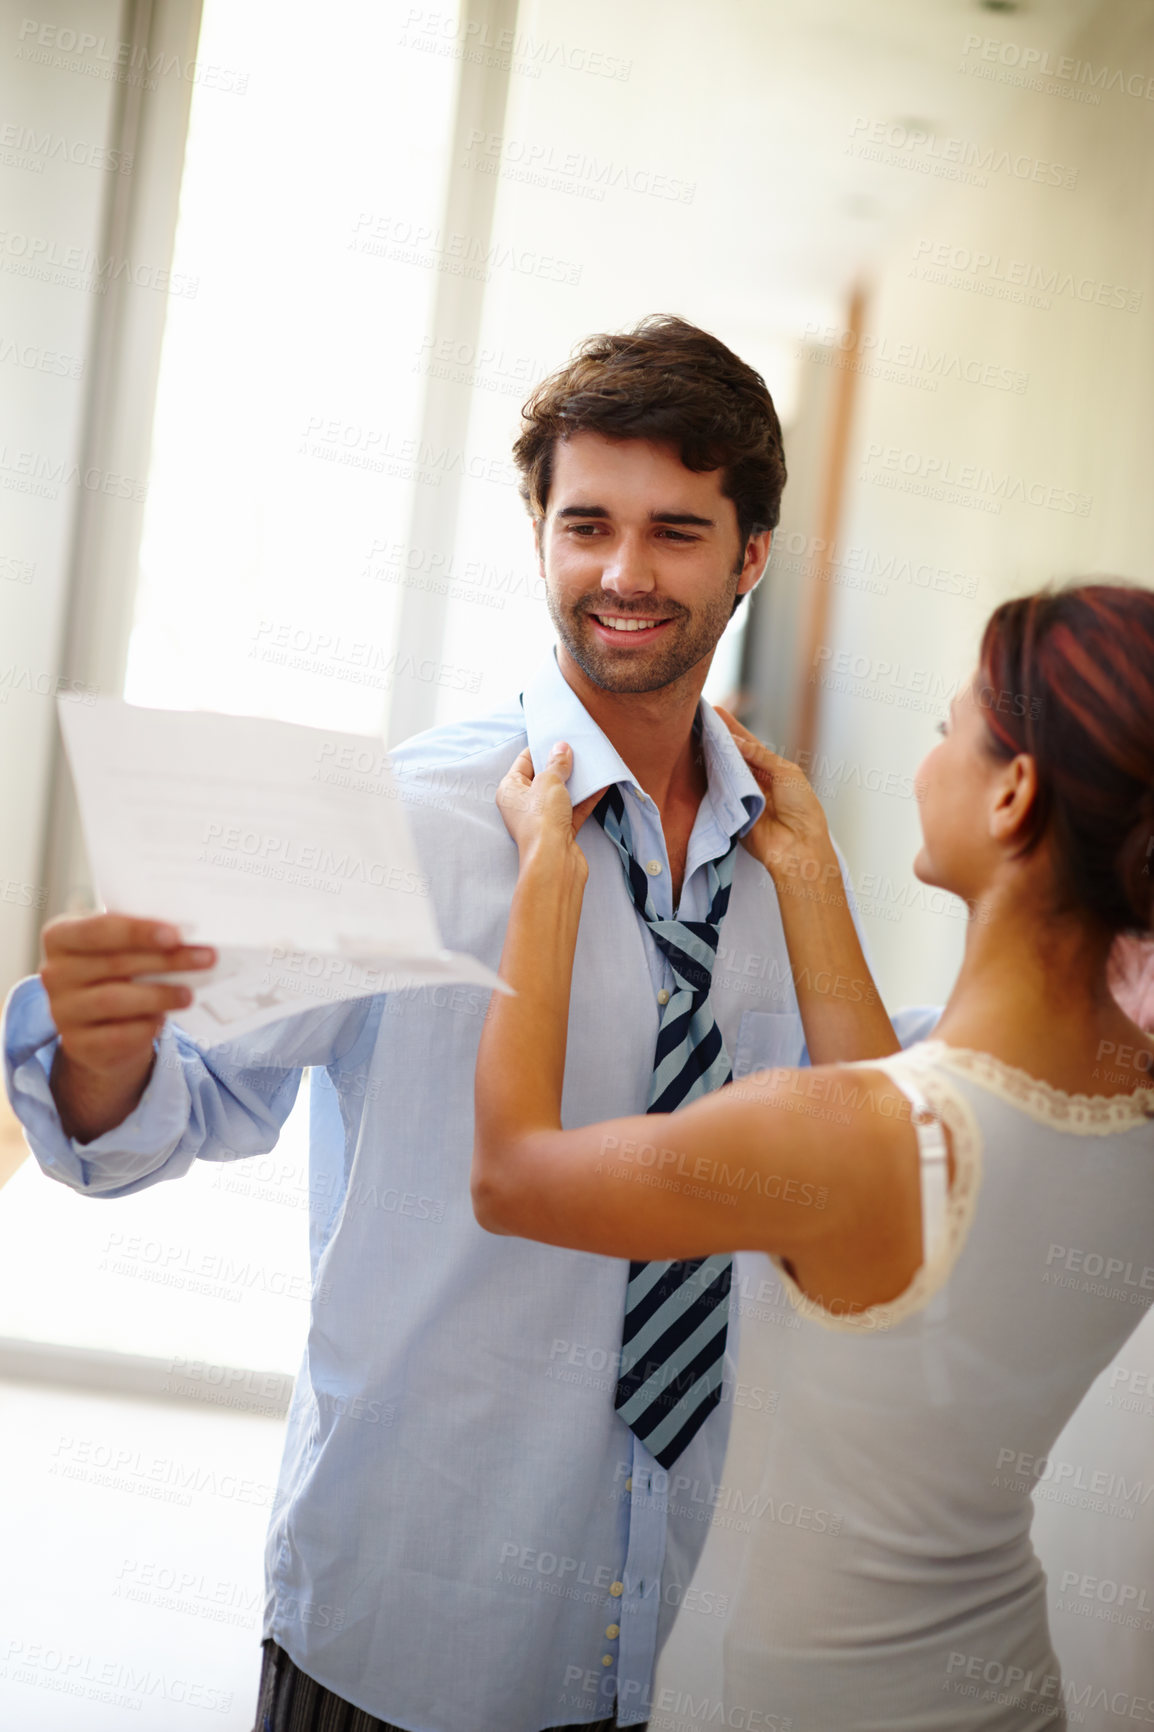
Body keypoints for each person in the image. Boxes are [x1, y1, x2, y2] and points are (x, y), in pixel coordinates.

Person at [1, 316, 937, 1732]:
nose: (622, 574)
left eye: (676, 532)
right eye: (586, 526)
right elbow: (163, 1118)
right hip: (412, 1619)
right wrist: (101, 1054)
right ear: (541, 536)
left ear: (750, 556)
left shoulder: (787, 859)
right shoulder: (412, 820)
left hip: (684, 1636)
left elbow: (865, 1148)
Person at [469, 579, 1154, 1731]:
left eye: (947, 732)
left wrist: (545, 876)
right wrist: (807, 871)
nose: (925, 759)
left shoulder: (835, 1137)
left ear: (1013, 794)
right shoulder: (1118, 1108)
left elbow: (511, 1173)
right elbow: (903, 1120)